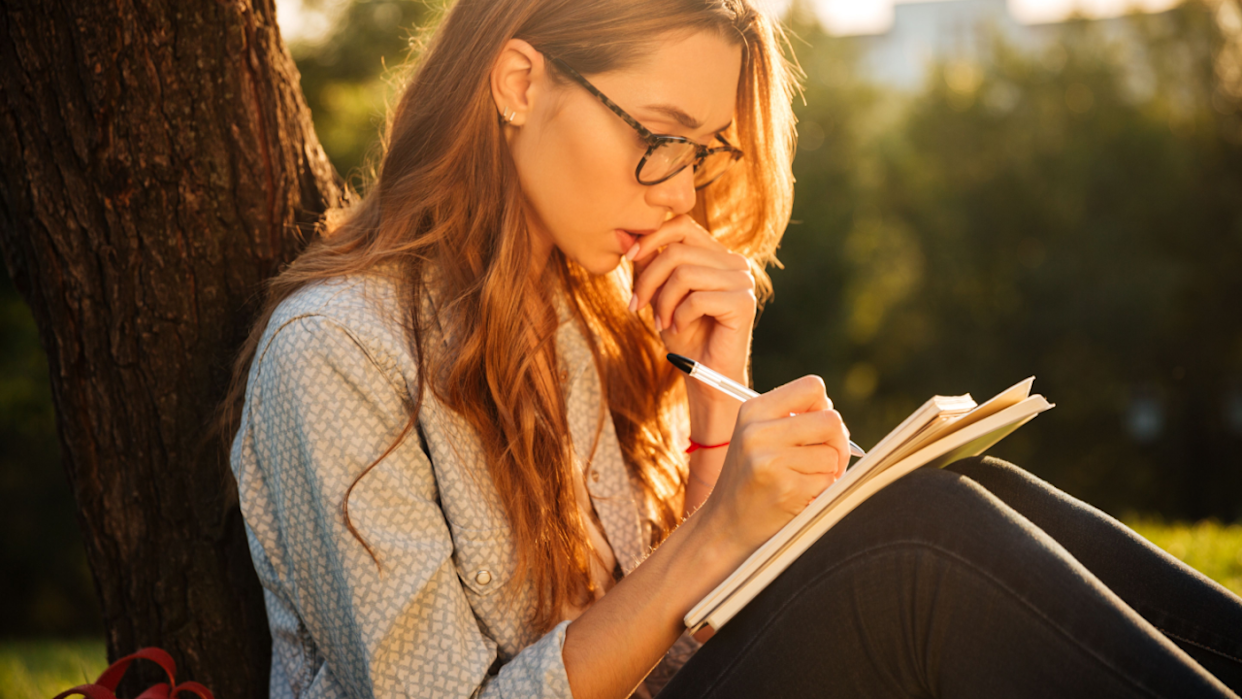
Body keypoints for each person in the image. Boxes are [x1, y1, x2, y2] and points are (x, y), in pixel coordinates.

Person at [223, 0, 1242, 697]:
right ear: (521, 81)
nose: (680, 193)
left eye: (704, 151)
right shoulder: (336, 353)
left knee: (972, 496)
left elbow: (692, 634)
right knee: (920, 548)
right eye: (658, 134)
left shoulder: (593, 310)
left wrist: (720, 389)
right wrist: (717, 540)